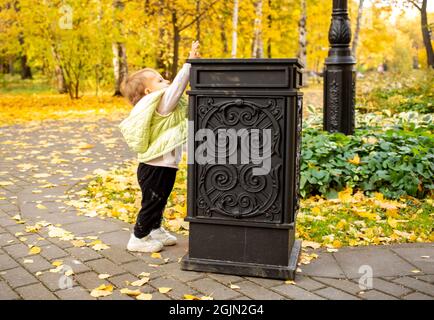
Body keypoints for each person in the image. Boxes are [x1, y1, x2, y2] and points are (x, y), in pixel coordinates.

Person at [119, 41, 200, 253]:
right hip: (156, 167)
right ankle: (138, 237)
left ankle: (154, 230)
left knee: (160, 200)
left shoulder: (159, 107)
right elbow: (176, 89)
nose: (167, 82)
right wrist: (189, 64)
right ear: (148, 91)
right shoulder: (161, 104)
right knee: (152, 203)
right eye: (161, 80)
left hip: (159, 166)